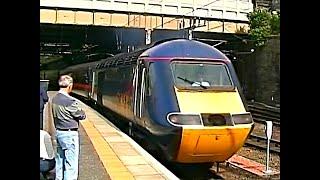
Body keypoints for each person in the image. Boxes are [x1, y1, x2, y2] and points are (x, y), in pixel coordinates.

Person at [52, 75, 86, 180]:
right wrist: (82, 112)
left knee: (59, 161)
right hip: (69, 135)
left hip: (59, 133)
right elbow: (81, 115)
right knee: (71, 164)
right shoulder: (70, 101)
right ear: (70, 86)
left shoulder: (55, 98)